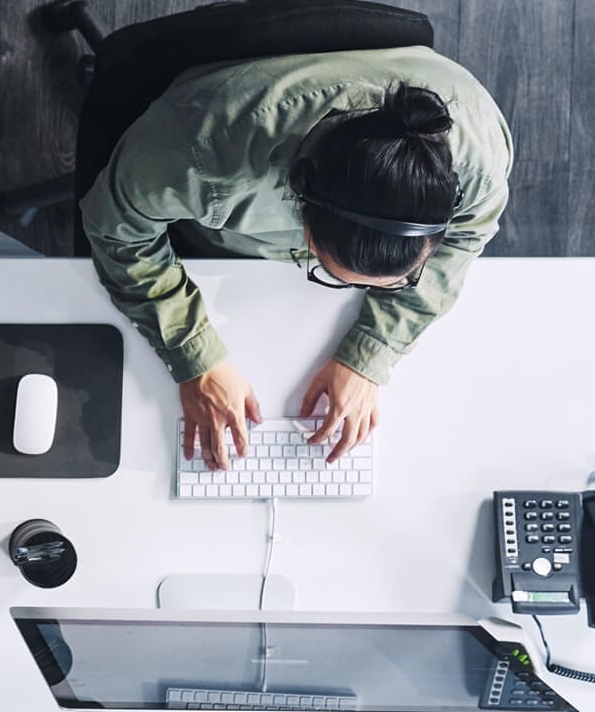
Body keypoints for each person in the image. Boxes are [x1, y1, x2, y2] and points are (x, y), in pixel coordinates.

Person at [81, 47, 512, 469]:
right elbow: (116, 230)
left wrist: (372, 352)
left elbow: (465, 239)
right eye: (332, 272)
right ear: (302, 218)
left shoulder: (480, 164)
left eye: (401, 278)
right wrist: (195, 357)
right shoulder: (199, 154)